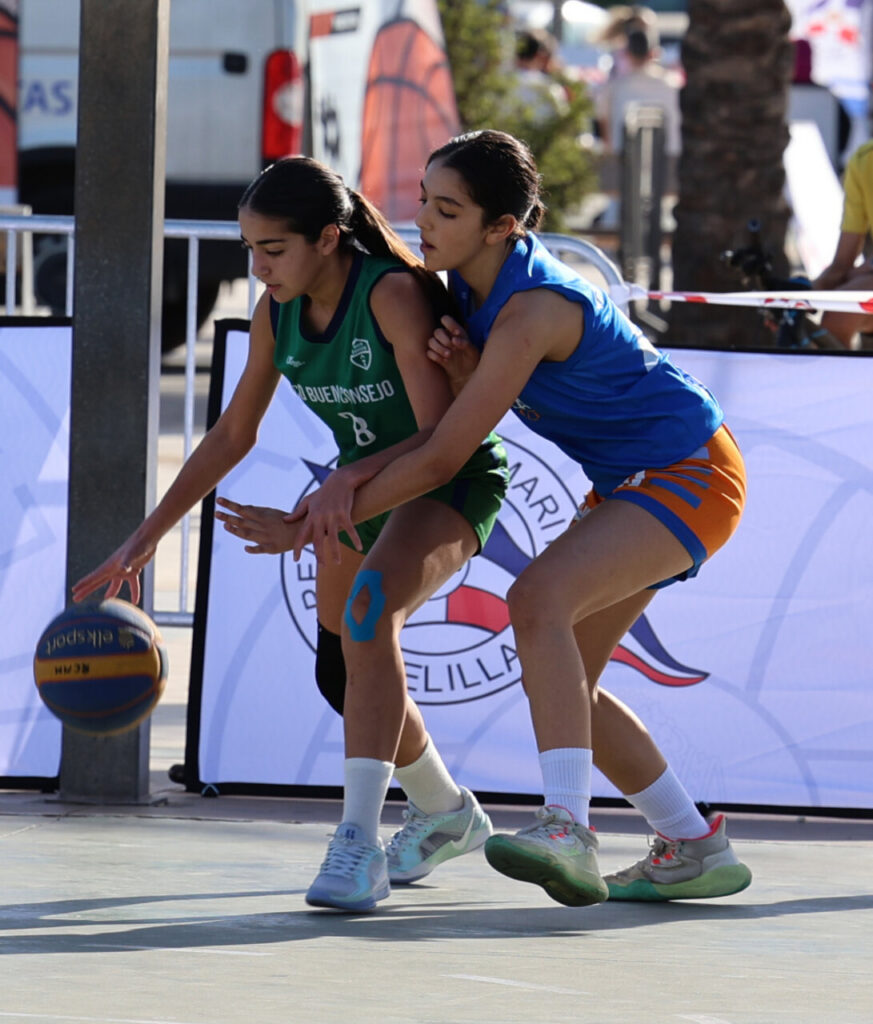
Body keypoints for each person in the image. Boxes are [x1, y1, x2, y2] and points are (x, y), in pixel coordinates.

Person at [224, 130, 752, 908]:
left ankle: (566, 829)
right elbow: (458, 417)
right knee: (572, 681)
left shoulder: (530, 306)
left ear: (503, 226)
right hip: (632, 481)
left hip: (690, 473)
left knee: (535, 599)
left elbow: (442, 457)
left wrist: (315, 514)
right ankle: (693, 843)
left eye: (447, 210)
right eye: (423, 202)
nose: (423, 221)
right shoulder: (466, 293)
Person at [71, 155, 509, 912]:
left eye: (272, 249)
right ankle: (445, 810)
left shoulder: (392, 295)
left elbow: (441, 437)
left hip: (449, 479)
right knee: (341, 673)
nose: (257, 267)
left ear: (328, 238)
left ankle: (357, 843)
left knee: (369, 618)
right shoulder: (276, 314)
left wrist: (331, 494)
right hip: (360, 489)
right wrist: (145, 536)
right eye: (249, 249)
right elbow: (231, 434)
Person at [811, 140, 873, 350]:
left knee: (842, 311)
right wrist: (797, 297)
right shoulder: (864, 159)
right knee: (835, 319)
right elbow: (841, 264)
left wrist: (865, 269)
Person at [594, 20, 681, 160]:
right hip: (667, 155)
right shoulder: (672, 84)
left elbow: (602, 117)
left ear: (627, 54)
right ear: (654, 53)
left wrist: (609, 150)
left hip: (624, 157)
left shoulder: (614, 87)